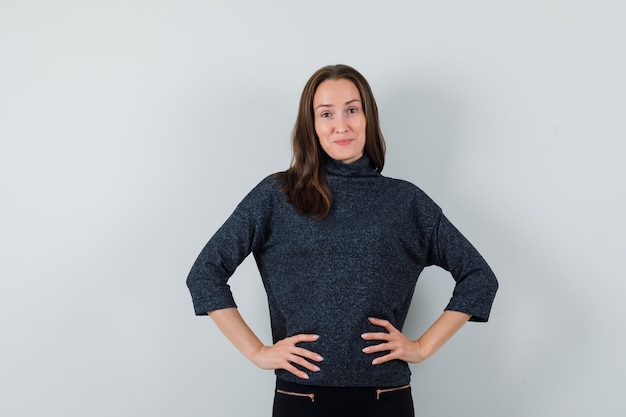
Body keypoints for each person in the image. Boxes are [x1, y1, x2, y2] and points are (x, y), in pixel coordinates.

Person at [186, 64, 498, 417]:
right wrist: (258, 352)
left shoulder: (405, 202)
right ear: (312, 126)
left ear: (368, 117)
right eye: (326, 114)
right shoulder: (277, 196)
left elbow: (479, 278)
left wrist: (422, 347)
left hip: (386, 396)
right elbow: (205, 274)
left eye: (352, 110)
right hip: (302, 398)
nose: (341, 125)